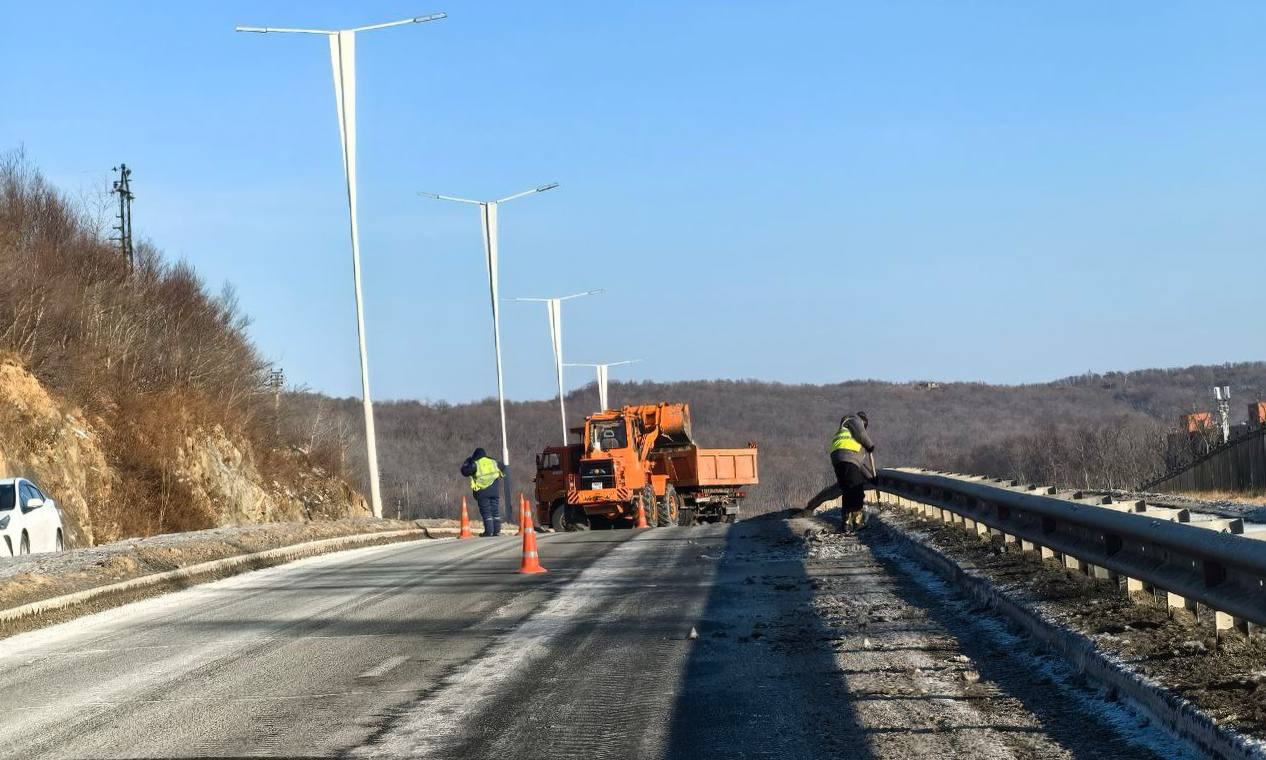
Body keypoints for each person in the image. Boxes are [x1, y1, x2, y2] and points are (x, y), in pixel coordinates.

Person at [802, 412, 876, 532]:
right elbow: (862, 435)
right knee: (856, 489)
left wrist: (871, 478)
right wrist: (870, 445)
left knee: (847, 490)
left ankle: (846, 523)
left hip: (838, 459)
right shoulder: (854, 420)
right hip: (847, 457)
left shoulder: (850, 435)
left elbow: (859, 464)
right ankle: (857, 521)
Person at [461, 448, 506, 537]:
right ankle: (497, 531)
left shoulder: (475, 464)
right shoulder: (493, 462)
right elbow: (503, 466)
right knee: (495, 511)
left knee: (486, 512)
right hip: (494, 491)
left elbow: (465, 471)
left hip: (482, 492)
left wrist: (467, 462)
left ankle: (488, 532)